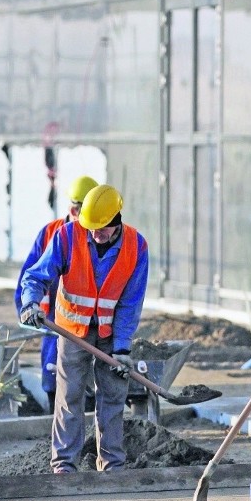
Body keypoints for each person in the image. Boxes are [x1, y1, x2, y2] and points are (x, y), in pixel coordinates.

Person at [18, 184, 149, 473]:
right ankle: (64, 465)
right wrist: (31, 304)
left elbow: (131, 302)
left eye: (101, 229)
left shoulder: (136, 247)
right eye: (89, 227)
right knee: (70, 396)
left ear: (116, 221)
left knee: (113, 397)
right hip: (72, 331)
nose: (94, 234)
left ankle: (112, 464)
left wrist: (123, 348)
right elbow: (36, 276)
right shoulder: (67, 235)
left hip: (111, 334)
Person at [14, 175, 99, 413]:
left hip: (95, 327)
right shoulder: (53, 233)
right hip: (57, 325)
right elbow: (29, 279)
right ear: (75, 209)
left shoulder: (101, 234)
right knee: (56, 383)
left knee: (92, 389)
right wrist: (30, 312)